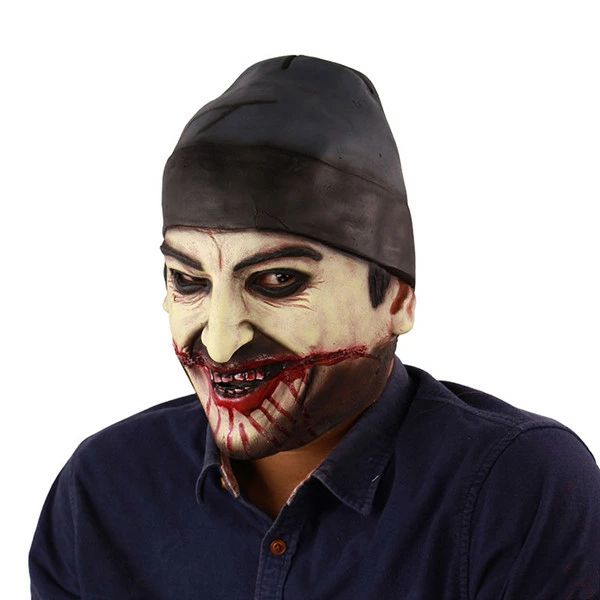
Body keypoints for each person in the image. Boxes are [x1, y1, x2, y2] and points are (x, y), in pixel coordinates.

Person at [29, 55, 600, 599]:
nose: (220, 343)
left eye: (278, 280)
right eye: (188, 280)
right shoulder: (102, 489)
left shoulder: (516, 488)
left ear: (396, 298)